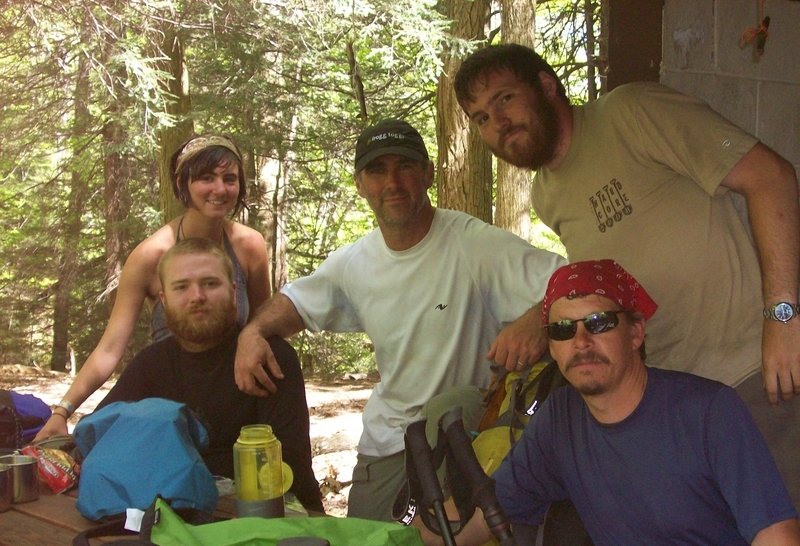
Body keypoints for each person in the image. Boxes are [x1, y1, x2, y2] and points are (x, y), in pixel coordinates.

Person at [453, 43, 800, 511]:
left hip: (755, 376)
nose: (497, 123)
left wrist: (782, 318)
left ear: (545, 85)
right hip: (672, 404)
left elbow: (772, 177)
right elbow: (610, 287)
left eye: (504, 99)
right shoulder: (546, 194)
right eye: (480, 118)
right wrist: (542, 317)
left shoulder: (632, 112)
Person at [234, 119, 566, 521]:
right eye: (377, 170)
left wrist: (536, 318)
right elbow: (296, 304)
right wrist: (252, 332)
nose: (392, 181)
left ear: (427, 173)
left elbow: (572, 281)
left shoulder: (473, 245)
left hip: (462, 438)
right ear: (359, 183)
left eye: (405, 166)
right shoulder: (354, 263)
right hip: (387, 445)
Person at [448, 260, 800, 546]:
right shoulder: (560, 419)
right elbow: (484, 515)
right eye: (563, 329)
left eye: (599, 322)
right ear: (552, 348)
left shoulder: (711, 412)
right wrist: (404, 536)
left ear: (635, 331)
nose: (581, 341)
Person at [34, 134, 270, 442]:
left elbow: (265, 327)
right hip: (171, 402)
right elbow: (110, 347)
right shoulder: (150, 256)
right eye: (206, 178)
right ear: (182, 183)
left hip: (238, 394)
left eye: (230, 179)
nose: (219, 189)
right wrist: (62, 412)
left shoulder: (249, 246)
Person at [91, 238, 323, 512]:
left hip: (279, 516)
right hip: (180, 516)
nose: (197, 296)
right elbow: (102, 436)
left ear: (233, 292)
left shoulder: (269, 356)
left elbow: (288, 464)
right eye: (181, 287)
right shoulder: (150, 365)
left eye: (210, 284)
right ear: (163, 300)